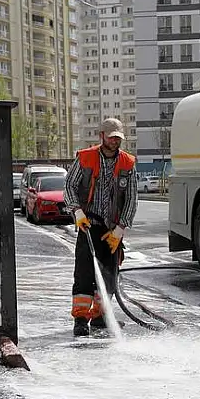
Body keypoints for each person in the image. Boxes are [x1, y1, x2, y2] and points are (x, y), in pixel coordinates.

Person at [63, 117, 139, 337]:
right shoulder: (86, 158)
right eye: (112, 137)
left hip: (112, 230)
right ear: (102, 136)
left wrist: (120, 228)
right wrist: (77, 212)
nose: (115, 142)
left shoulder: (127, 163)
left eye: (118, 138)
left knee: (108, 276)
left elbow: (132, 198)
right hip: (89, 225)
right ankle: (80, 319)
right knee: (84, 274)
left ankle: (99, 317)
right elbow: (69, 185)